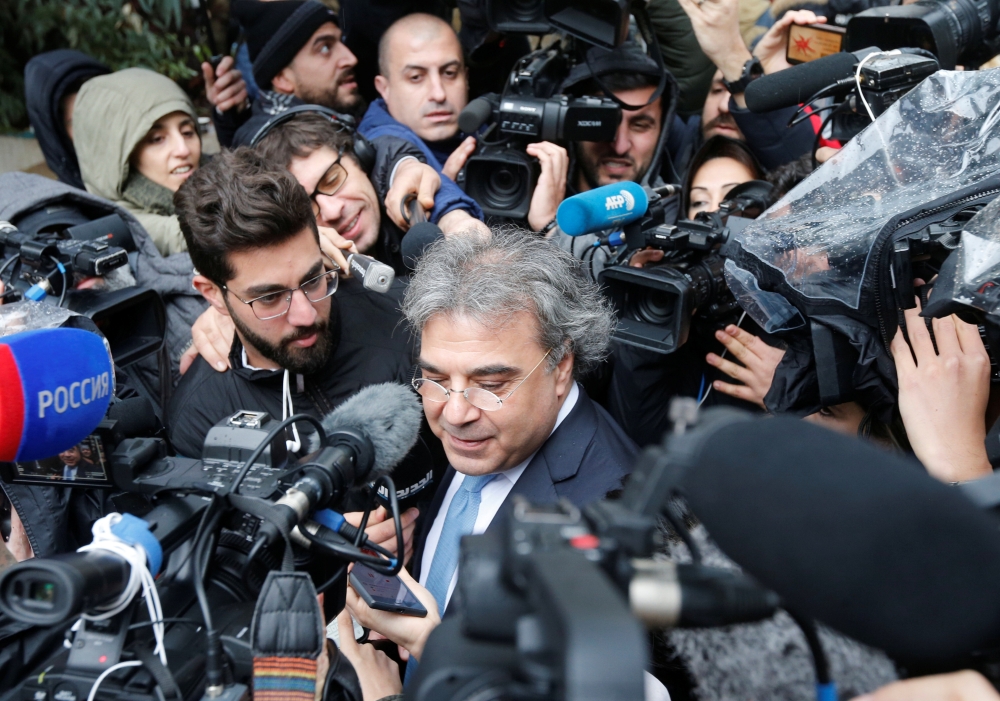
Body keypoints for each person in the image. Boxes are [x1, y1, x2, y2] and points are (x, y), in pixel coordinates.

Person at [343, 230, 635, 680]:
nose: (455, 414)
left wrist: (429, 646)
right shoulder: (464, 432)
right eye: (434, 378)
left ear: (561, 367)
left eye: (491, 385)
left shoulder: (612, 513)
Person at [169, 147, 447, 518]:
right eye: (269, 297)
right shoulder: (199, 418)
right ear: (213, 294)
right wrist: (323, 556)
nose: (304, 314)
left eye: (314, 278)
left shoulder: (406, 313)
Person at [359, 12, 567, 232]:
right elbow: (392, 156)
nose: (438, 94)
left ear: (466, 78)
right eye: (416, 77)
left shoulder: (487, 131)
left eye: (449, 73)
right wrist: (442, 194)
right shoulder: (377, 138)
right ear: (384, 88)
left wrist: (550, 225)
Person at [73, 68, 201, 257]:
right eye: (157, 139)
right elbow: (189, 234)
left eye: (188, 132)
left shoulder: (226, 172)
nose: (183, 150)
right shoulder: (116, 226)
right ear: (120, 156)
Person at [226, 0, 365, 147]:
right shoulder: (281, 152)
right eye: (325, 48)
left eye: (342, 41)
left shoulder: (335, 119)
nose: (350, 59)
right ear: (282, 78)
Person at [23, 49, 109, 189]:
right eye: (77, 122)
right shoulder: (63, 205)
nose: (96, 127)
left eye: (103, 113)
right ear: (56, 135)